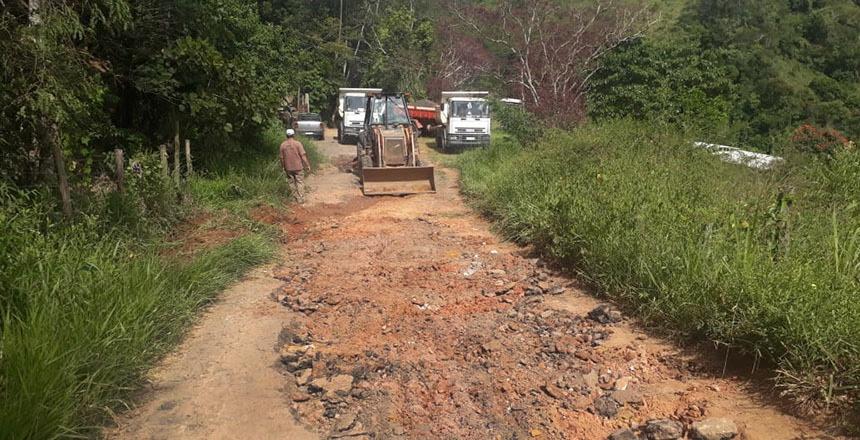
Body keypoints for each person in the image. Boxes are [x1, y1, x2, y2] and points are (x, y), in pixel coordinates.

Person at [279, 129, 311, 203]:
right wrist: (307, 165)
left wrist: (283, 166)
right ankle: (300, 198)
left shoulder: (283, 145)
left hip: (288, 168)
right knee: (299, 182)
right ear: (294, 135)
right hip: (298, 167)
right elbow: (303, 156)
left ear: (286, 135)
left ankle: (294, 198)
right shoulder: (298, 144)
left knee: (291, 183)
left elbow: (281, 158)